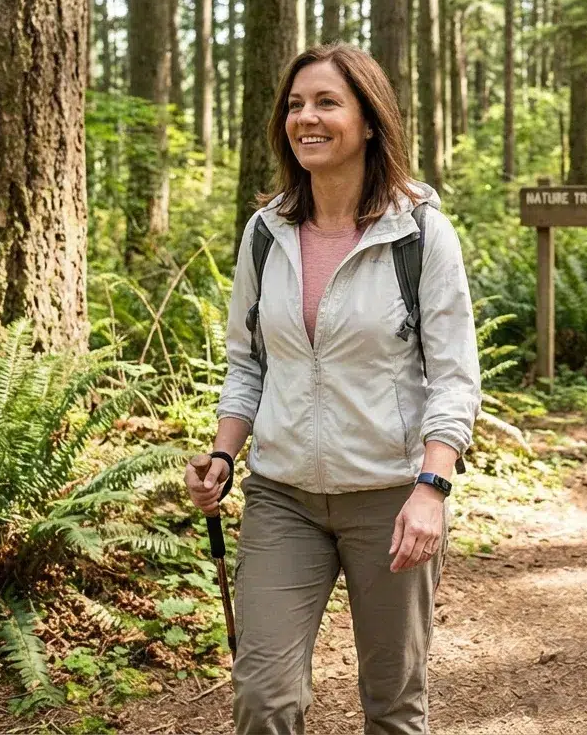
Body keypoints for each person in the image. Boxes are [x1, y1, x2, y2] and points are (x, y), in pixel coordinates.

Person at [184, 43, 481, 735]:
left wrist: (431, 490)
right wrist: (224, 455)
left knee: (394, 703)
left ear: (370, 120)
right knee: (264, 698)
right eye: (295, 104)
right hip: (283, 496)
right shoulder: (267, 232)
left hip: (390, 497)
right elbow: (246, 362)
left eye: (326, 102)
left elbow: (455, 377)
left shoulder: (420, 233)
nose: (306, 118)